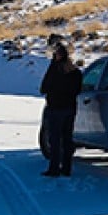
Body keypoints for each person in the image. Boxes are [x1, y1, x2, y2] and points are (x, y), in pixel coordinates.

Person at [39, 41, 82, 177]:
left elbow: (44, 87)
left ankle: (54, 168)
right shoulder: (75, 71)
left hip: (55, 108)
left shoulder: (55, 70)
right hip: (70, 108)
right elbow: (78, 89)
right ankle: (66, 168)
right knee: (67, 139)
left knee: (55, 139)